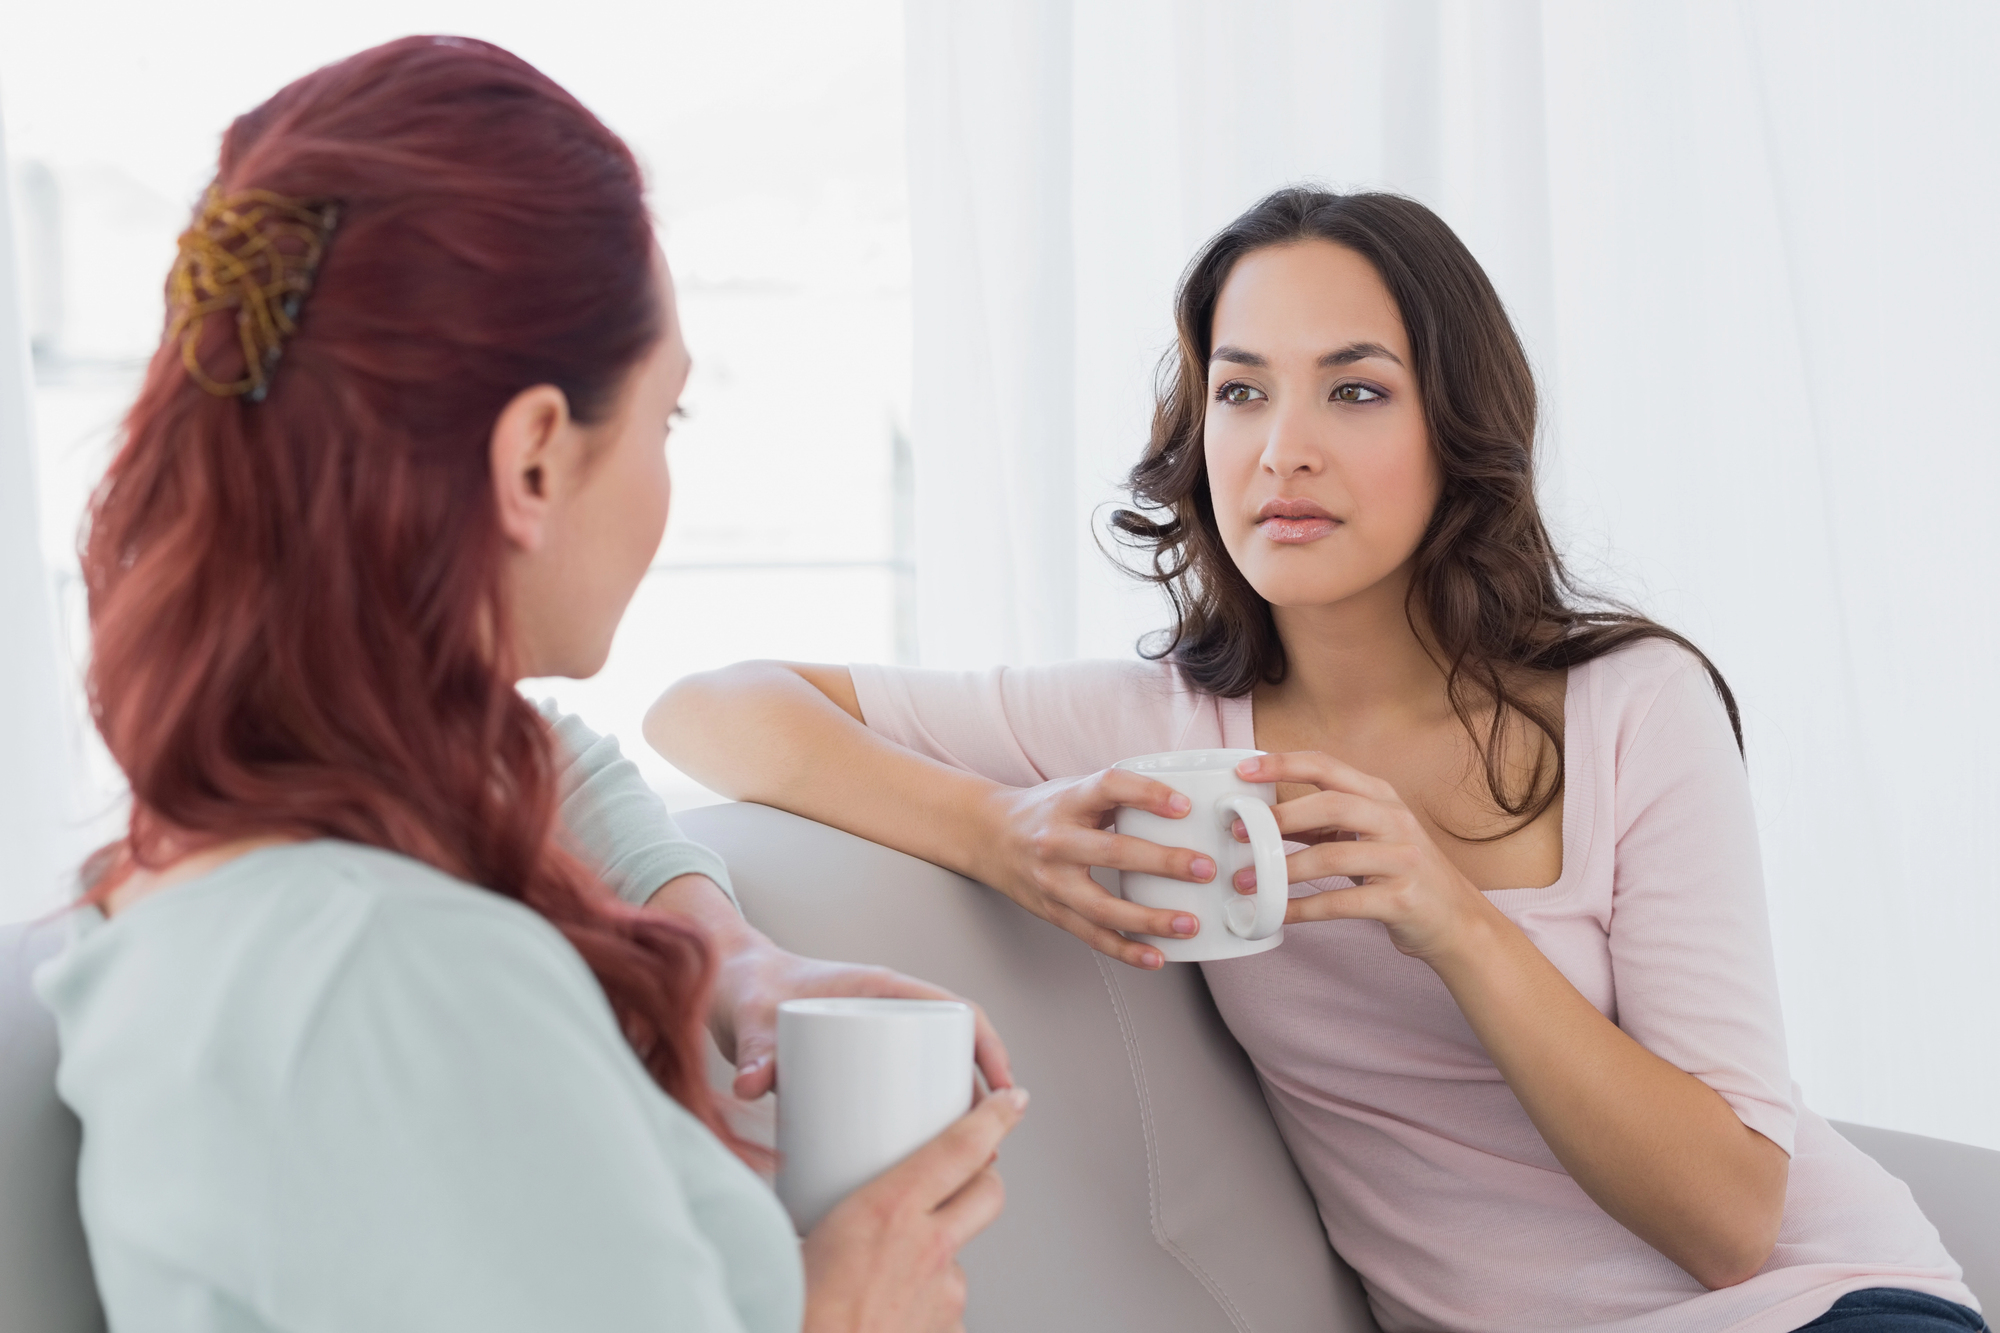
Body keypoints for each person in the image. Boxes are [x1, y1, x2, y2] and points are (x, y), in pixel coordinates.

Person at [651, 189, 1985, 1333]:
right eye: (1241, 390)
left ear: (1457, 433)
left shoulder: (1635, 705)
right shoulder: (1159, 727)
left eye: (1354, 389)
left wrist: (1451, 918)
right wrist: (1006, 834)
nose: (1282, 445)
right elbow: (709, 709)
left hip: (1819, 1304)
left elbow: (1732, 1222)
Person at [35, 36, 1026, 1333]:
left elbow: (544, 758)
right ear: (537, 457)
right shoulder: (404, 981)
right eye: (665, 422)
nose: (669, 478)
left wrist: (734, 958)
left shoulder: (242, 851)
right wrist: (848, 1307)